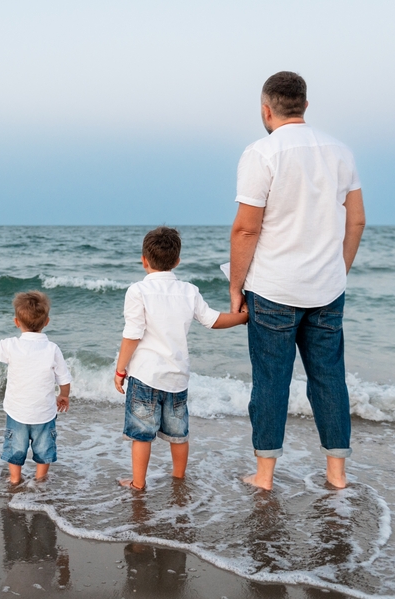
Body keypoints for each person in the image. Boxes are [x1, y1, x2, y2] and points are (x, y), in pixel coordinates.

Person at [229, 71, 366, 490]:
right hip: (327, 287)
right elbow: (356, 220)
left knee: (271, 380)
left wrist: (236, 287)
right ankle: (337, 474)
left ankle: (265, 475)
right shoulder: (340, 152)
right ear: (305, 105)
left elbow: (246, 230)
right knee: (329, 377)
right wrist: (337, 270)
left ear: (266, 110)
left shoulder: (261, 152)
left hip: (273, 287)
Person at [114, 227, 248, 491]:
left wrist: (120, 370)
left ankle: (138, 483)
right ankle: (178, 478)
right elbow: (213, 320)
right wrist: (244, 317)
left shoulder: (138, 291)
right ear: (177, 261)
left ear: (144, 259)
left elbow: (132, 335)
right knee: (179, 434)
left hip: (145, 375)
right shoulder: (189, 291)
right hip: (177, 377)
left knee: (141, 434)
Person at [0, 291, 72, 484]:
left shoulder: (11, 345)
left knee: (16, 448)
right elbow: (64, 379)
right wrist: (64, 395)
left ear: (16, 322)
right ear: (47, 321)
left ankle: (15, 479)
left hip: (17, 412)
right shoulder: (53, 349)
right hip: (44, 413)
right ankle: (40, 480)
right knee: (44, 449)